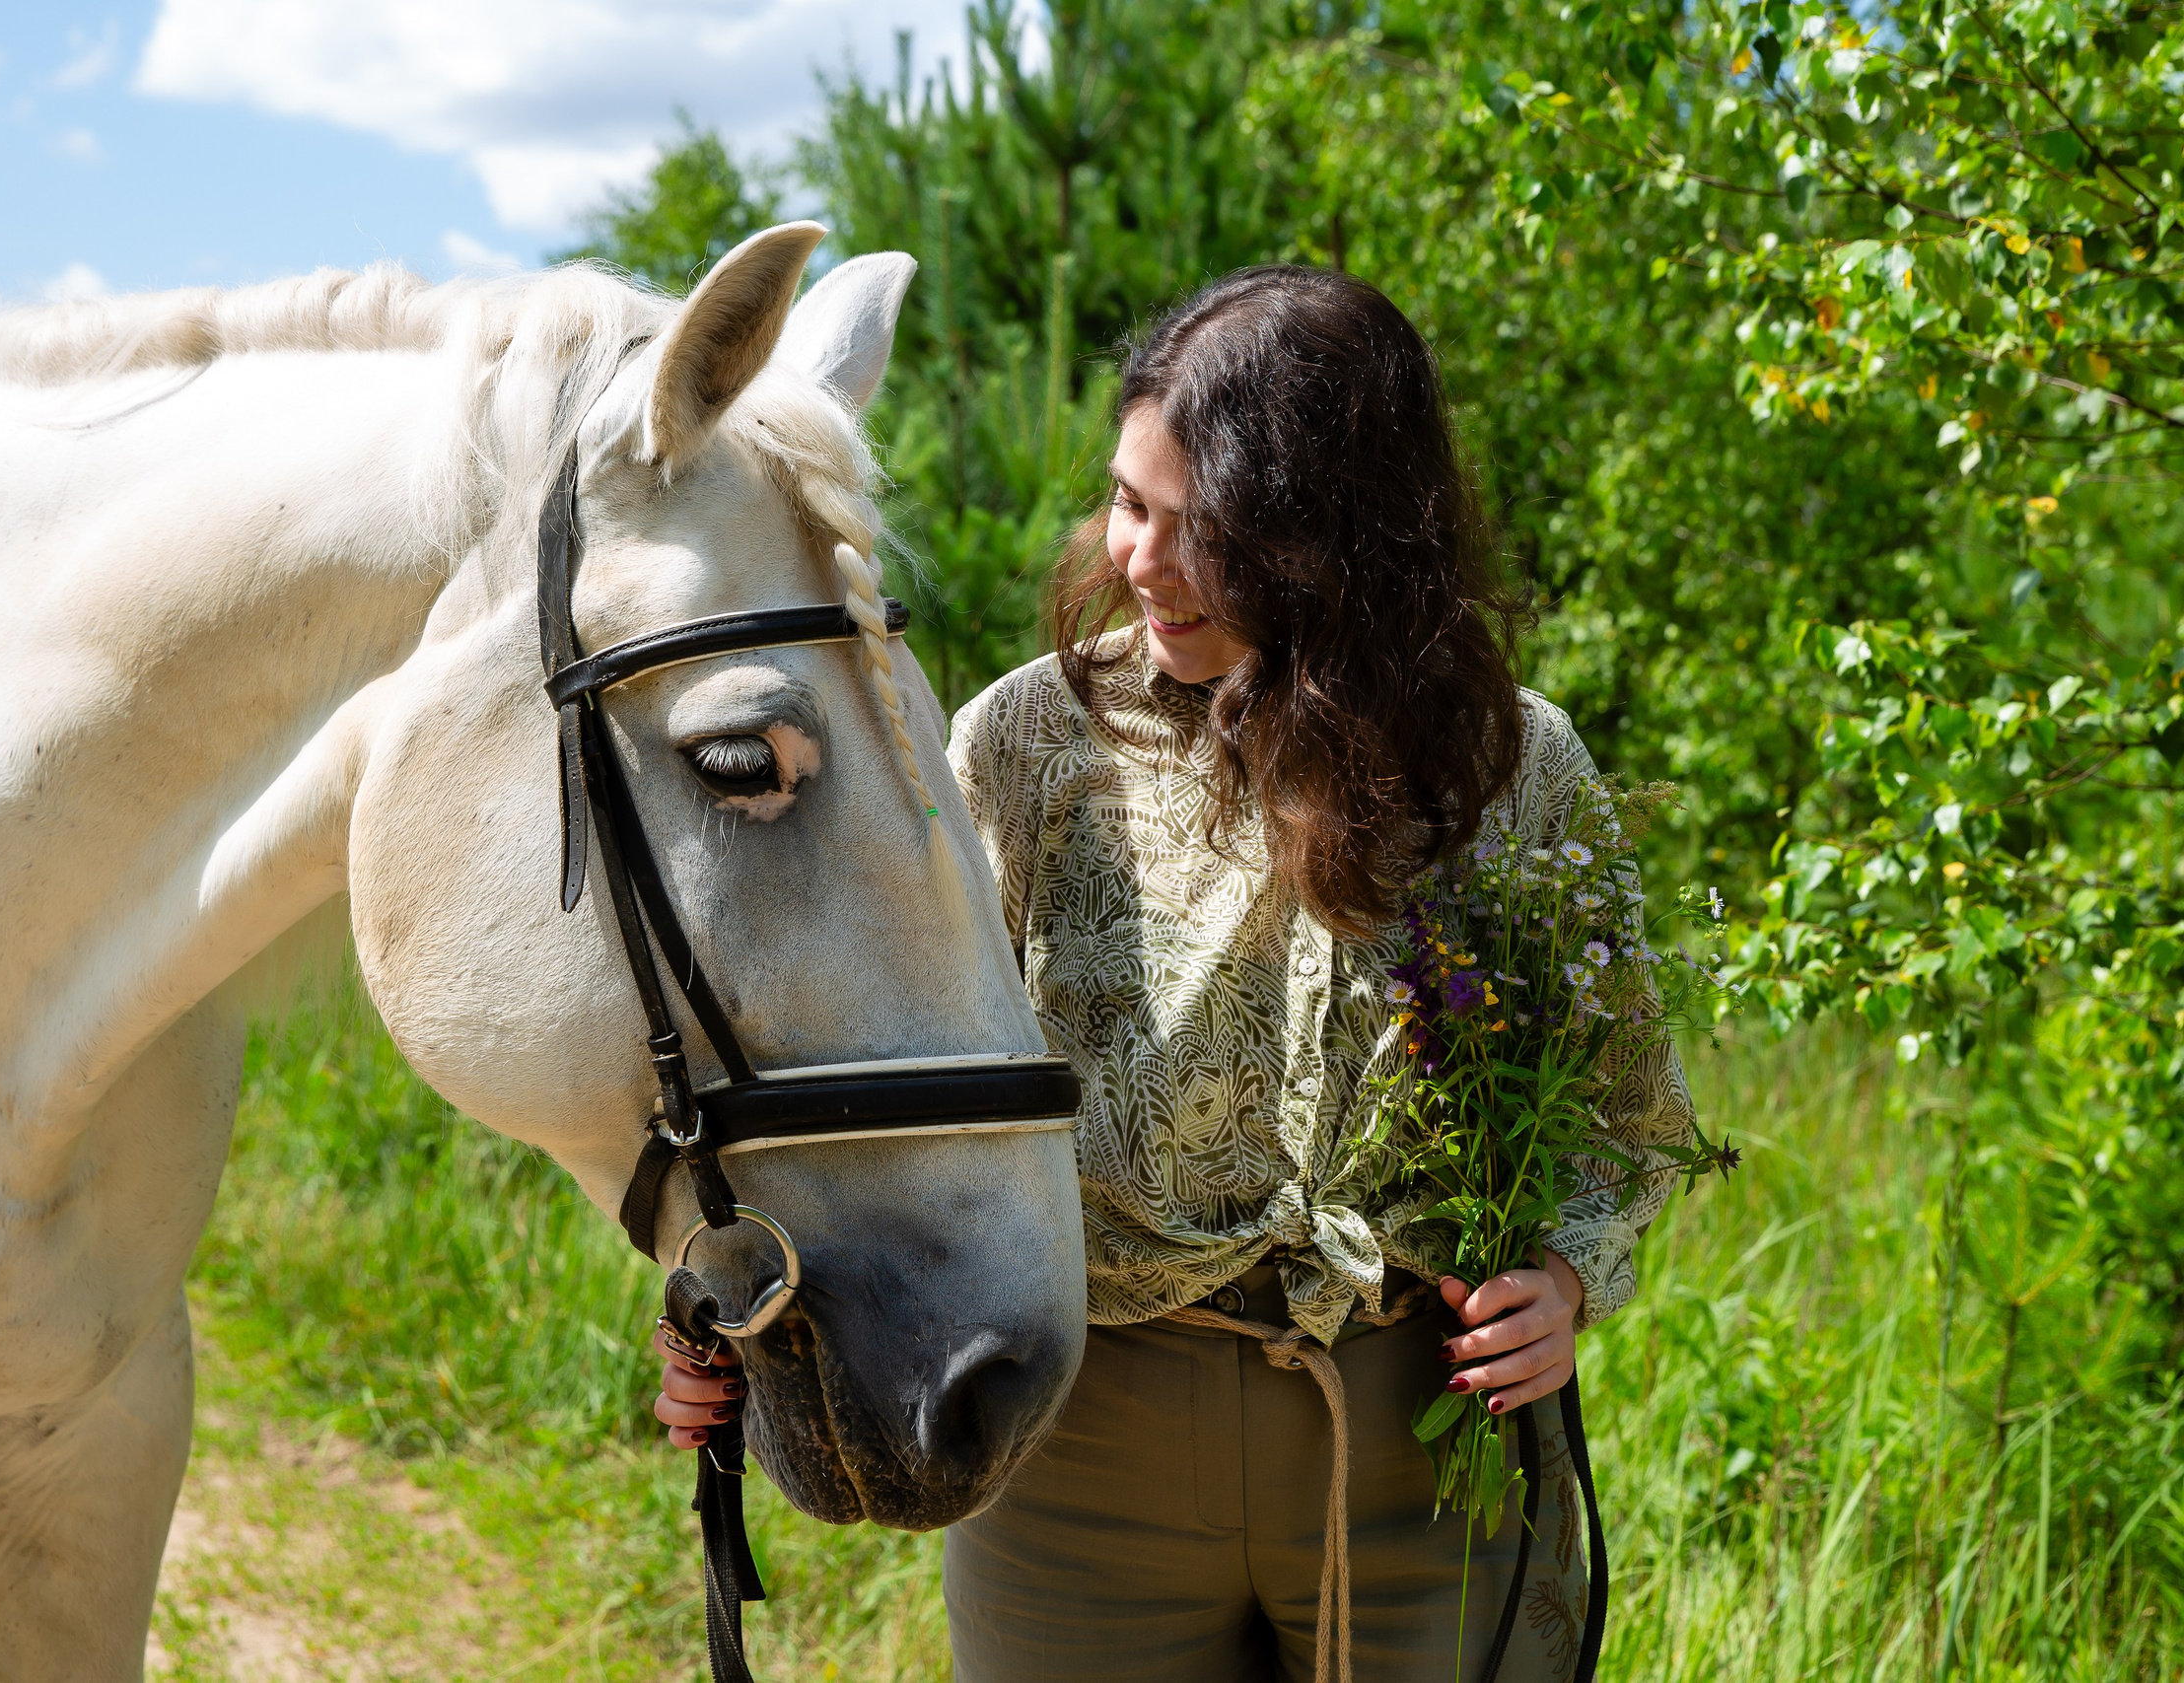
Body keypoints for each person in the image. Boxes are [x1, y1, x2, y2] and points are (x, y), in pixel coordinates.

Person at [655, 265, 1697, 1682]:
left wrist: (1566, 1280)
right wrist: (730, 1303)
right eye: (1128, 503)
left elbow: (1625, 1105)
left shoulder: (1508, 765)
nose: (1141, 560)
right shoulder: (1027, 741)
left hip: (1426, 1449)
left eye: (1205, 530)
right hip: (1080, 1464)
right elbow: (872, 1059)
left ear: (1337, 536)